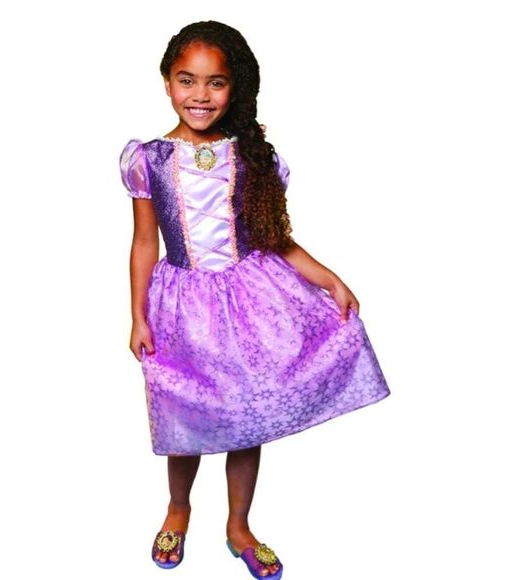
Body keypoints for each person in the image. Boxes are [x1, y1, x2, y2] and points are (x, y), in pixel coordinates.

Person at [119, 20, 391, 580]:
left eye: (215, 83)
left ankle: (238, 525)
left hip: (247, 303)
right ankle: (178, 508)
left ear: (234, 87)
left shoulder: (251, 156)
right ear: (167, 82)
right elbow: (145, 241)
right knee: (187, 411)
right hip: (182, 307)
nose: (200, 95)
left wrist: (328, 278)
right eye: (187, 80)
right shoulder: (148, 159)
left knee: (249, 414)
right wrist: (137, 315)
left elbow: (274, 239)